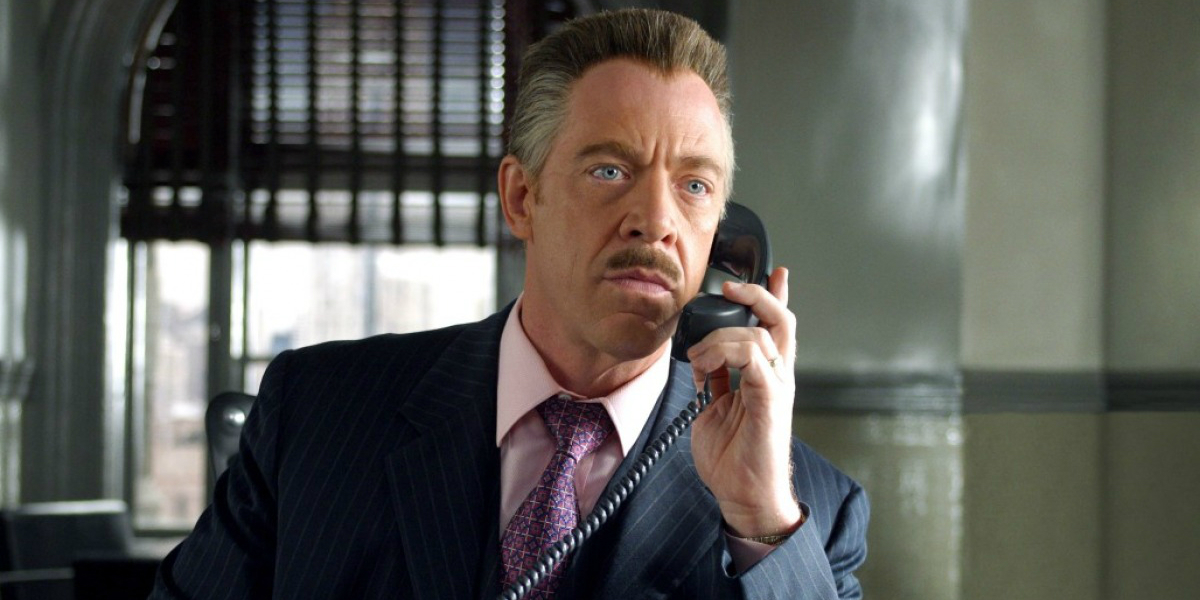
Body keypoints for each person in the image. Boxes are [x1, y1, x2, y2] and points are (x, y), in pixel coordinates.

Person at [150, 8, 868, 600]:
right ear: (522, 198)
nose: (656, 221)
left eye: (695, 186)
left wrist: (759, 516)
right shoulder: (315, 414)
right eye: (610, 170)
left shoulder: (805, 508)